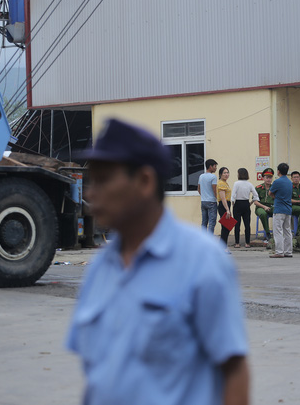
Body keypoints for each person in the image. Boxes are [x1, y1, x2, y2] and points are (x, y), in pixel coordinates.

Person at [67, 119, 249, 405]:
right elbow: (96, 377)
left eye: (103, 180)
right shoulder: (101, 267)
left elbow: (233, 369)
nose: (91, 193)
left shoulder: (200, 259)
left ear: (144, 181)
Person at [269, 163, 293, 258]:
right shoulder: (289, 182)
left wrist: (276, 197)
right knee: (287, 230)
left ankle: (279, 251)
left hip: (279, 208)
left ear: (278, 171)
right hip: (288, 208)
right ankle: (288, 251)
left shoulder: (277, 182)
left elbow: (271, 193)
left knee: (278, 230)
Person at [231, 168, 259, 248]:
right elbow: (256, 195)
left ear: (239, 174)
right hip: (246, 204)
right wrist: (251, 202)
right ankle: (247, 243)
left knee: (237, 225)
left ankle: (237, 243)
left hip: (238, 204)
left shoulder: (236, 183)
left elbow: (233, 195)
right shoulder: (249, 184)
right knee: (247, 224)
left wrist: (233, 204)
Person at [197, 159, 218, 233]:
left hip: (203, 201)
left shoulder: (201, 176)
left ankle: (203, 239)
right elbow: (214, 190)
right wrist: (217, 199)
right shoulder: (213, 177)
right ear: (210, 167)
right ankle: (210, 240)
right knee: (212, 223)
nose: (216, 168)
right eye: (215, 166)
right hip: (212, 202)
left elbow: (199, 189)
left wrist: (204, 196)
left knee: (204, 222)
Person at [254, 168, 274, 241]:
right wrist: (264, 207)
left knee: (279, 211)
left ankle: (279, 233)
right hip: (260, 207)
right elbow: (255, 201)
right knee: (263, 214)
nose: (269, 179)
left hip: (272, 206)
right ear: (263, 178)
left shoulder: (274, 188)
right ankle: (268, 233)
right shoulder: (258, 188)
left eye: (270, 177)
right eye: (267, 177)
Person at [217, 167, 233, 250]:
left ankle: (223, 245)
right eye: (224, 173)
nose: (226, 174)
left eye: (227, 172)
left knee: (228, 226)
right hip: (224, 205)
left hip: (227, 204)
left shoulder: (225, 183)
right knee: (225, 227)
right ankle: (223, 247)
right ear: (220, 174)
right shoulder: (221, 183)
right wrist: (227, 210)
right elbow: (223, 198)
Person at [291, 171, 300, 235]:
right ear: (291, 178)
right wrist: (299, 201)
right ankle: (299, 231)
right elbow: (288, 200)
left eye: (297, 177)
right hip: (292, 206)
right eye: (294, 177)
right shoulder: (289, 187)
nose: (296, 179)